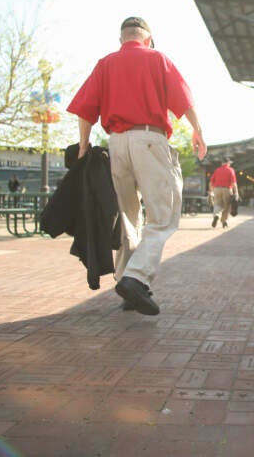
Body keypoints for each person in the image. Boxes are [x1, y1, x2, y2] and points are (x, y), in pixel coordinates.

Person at [66, 16, 207, 316]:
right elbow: (183, 99)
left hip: (116, 143)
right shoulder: (157, 58)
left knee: (128, 219)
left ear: (122, 39)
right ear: (148, 38)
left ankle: (128, 287)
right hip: (149, 139)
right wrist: (198, 131)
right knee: (163, 216)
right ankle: (136, 277)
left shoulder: (106, 63)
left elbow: (85, 109)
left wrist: (83, 144)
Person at [209, 157, 238, 229]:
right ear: (228, 163)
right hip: (227, 189)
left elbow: (211, 182)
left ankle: (216, 215)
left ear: (222, 163)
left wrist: (211, 191)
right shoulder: (231, 170)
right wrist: (236, 192)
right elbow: (234, 183)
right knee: (227, 206)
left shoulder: (217, 170)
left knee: (217, 204)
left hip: (217, 189)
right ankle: (224, 221)